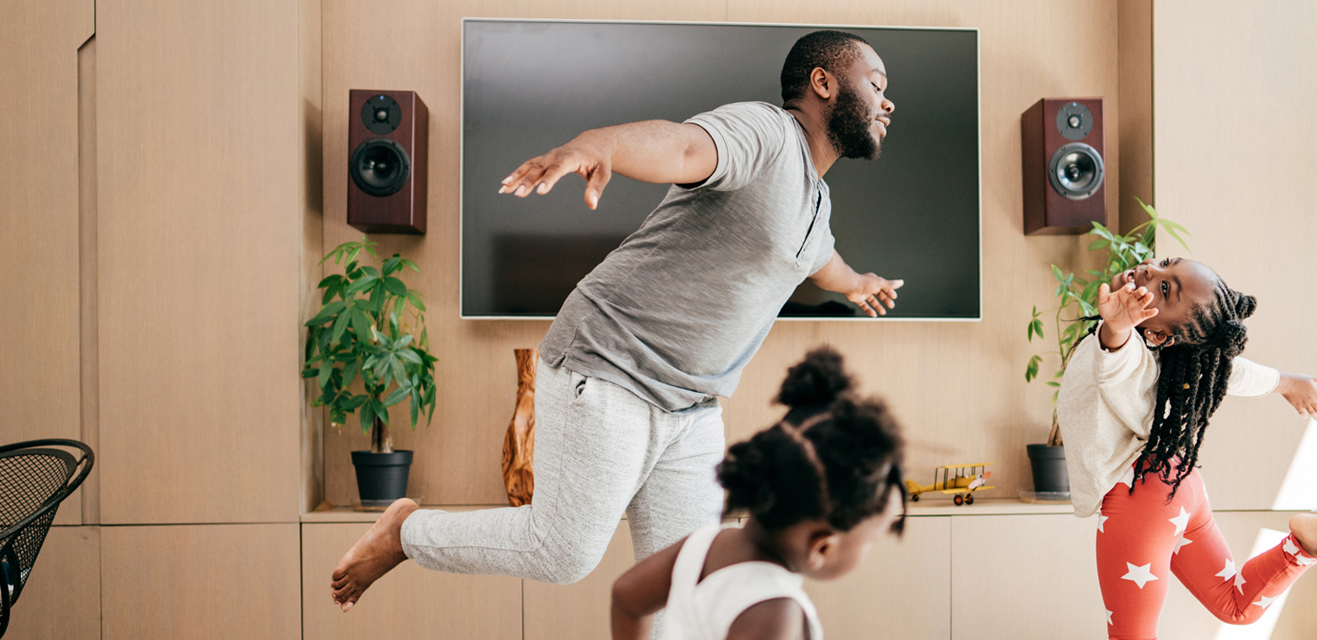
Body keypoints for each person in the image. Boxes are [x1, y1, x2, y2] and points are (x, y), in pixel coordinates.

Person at [331, 29, 904, 612]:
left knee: (688, 586)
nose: (887, 102)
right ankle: (405, 533)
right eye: (876, 84)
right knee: (563, 553)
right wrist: (599, 144)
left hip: (692, 406)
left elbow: (819, 260)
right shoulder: (767, 134)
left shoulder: (815, 201)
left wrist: (860, 284)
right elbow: (682, 148)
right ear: (823, 82)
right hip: (610, 365)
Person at [1056, 257, 1317, 639]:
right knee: (1235, 604)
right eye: (1165, 263)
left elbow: (1115, 360)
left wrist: (1118, 326)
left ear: (1158, 335)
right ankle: (1302, 545)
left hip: (1139, 497)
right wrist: (1284, 382)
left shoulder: (1132, 351)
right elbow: (1228, 370)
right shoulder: (1169, 354)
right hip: (1177, 483)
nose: (1151, 271)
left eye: (1166, 289)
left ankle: (1303, 544)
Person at [609, 347, 906, 640]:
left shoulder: (703, 546)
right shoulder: (775, 612)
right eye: (871, 540)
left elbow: (626, 599)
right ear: (822, 549)